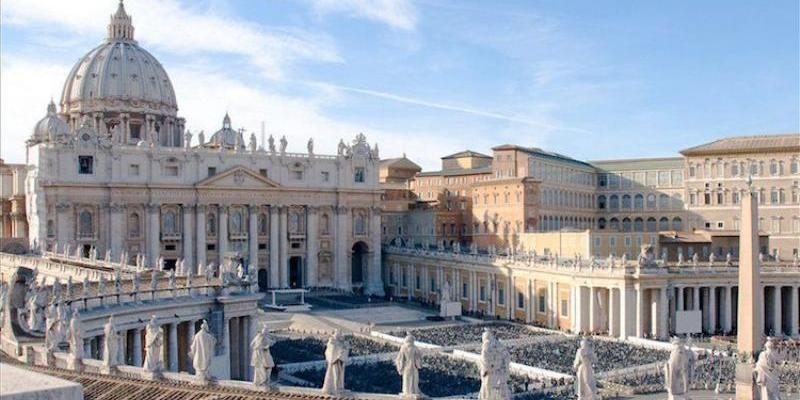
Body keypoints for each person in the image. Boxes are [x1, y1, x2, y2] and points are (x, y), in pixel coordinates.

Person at [479, 329, 511, 400]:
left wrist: (485, 371)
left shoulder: (486, 345)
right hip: (500, 375)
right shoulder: (500, 345)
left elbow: (484, 361)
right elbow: (507, 357)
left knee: (488, 394)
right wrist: (505, 370)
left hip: (490, 376)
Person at [322, 330, 349, 395]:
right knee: (332, 376)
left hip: (339, 363)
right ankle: (331, 389)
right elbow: (330, 352)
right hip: (333, 363)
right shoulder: (332, 342)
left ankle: (338, 389)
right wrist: (338, 353)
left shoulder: (343, 342)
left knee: (339, 377)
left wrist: (341, 352)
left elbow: (345, 351)